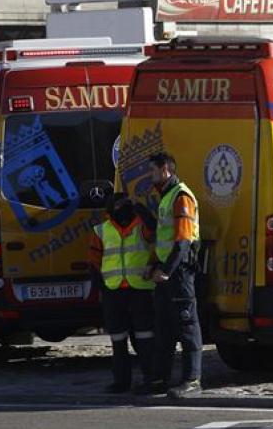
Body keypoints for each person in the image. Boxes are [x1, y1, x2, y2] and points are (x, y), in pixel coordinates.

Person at [89, 193, 158, 394]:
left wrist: (143, 211)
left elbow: (154, 232)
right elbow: (94, 260)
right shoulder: (101, 230)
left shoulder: (141, 225)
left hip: (140, 289)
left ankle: (149, 378)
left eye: (124, 205)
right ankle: (121, 381)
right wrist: (100, 287)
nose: (121, 209)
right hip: (114, 290)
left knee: (145, 337)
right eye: (117, 206)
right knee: (118, 339)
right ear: (109, 211)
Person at [149, 152, 203, 399]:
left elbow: (182, 240)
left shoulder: (181, 196)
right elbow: (163, 238)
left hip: (178, 273)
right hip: (166, 272)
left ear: (164, 170)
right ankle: (160, 379)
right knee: (163, 328)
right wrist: (154, 266)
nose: (150, 176)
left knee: (187, 325)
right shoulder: (166, 197)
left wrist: (166, 271)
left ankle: (192, 380)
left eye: (152, 170)